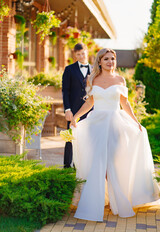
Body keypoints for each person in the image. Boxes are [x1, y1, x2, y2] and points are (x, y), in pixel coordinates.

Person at [70, 48, 160, 221]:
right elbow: (90, 102)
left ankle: (115, 200)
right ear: (100, 62)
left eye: (112, 59)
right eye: (106, 59)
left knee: (113, 161)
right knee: (100, 163)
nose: (110, 62)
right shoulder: (92, 79)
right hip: (96, 124)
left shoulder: (120, 79)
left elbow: (125, 104)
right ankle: (104, 199)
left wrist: (136, 122)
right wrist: (76, 116)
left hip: (116, 124)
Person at [62, 43, 92, 168]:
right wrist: (67, 109)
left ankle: (83, 163)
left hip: (91, 109)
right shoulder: (69, 69)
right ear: (75, 55)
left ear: (87, 52)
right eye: (78, 54)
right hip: (73, 109)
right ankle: (67, 165)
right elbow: (65, 90)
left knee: (87, 136)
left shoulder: (95, 69)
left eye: (83, 53)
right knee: (70, 136)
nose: (81, 56)